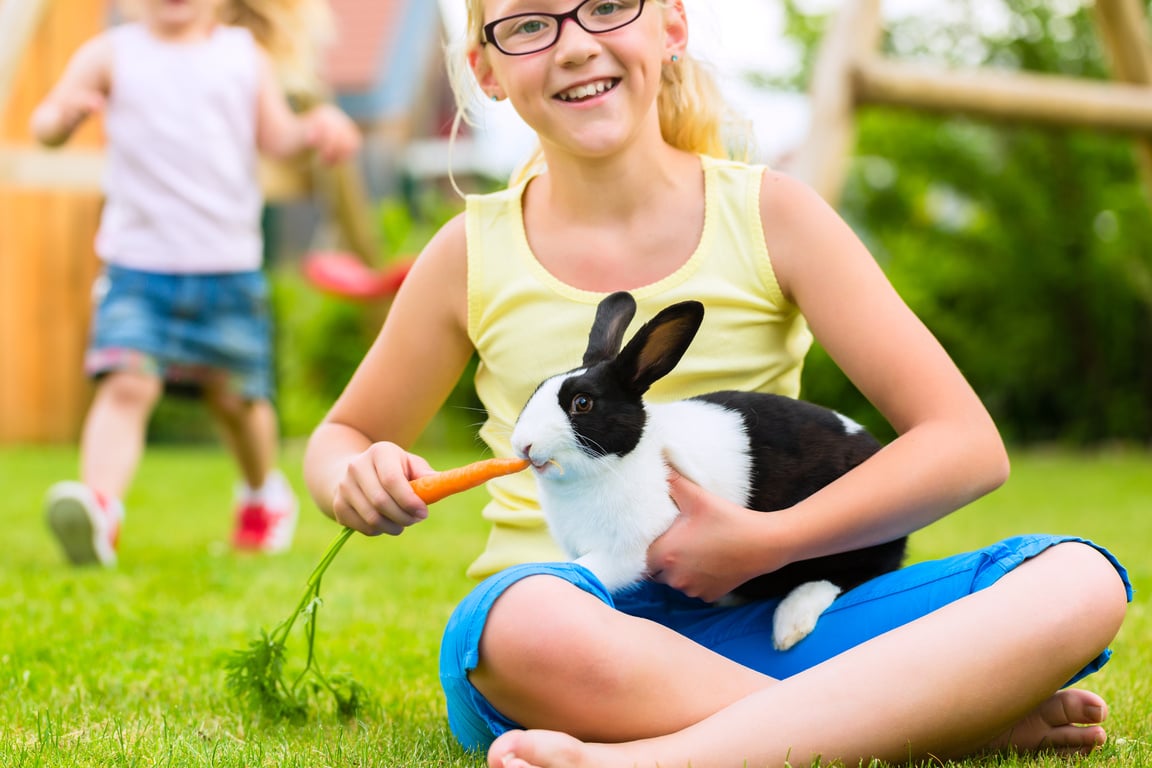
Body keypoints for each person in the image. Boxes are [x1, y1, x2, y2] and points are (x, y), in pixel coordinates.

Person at [302, 0, 1132, 765]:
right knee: (510, 624)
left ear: (669, 24)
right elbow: (342, 436)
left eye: (606, 6)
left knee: (1079, 581)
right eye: (529, 25)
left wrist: (768, 542)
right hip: (585, 642)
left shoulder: (775, 215)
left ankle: (680, 754)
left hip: (784, 620)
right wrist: (354, 475)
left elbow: (966, 448)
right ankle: (920, 725)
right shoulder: (469, 253)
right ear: (487, 71)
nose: (576, 44)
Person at [31, 0, 360, 567]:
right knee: (126, 384)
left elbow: (277, 138)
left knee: (239, 399)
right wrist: (63, 119)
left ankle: (262, 496)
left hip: (226, 269)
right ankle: (100, 510)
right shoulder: (110, 55)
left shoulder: (242, 56)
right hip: (137, 266)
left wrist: (315, 128)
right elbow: (44, 125)